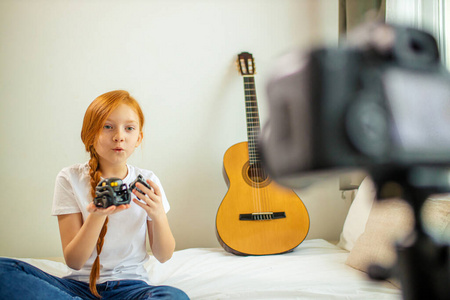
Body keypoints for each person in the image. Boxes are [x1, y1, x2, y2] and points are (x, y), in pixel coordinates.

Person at [0, 90, 189, 299]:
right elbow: (74, 261)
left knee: (174, 296)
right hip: (77, 287)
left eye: (129, 128)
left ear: (138, 138)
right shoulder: (69, 178)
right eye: (108, 127)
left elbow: (164, 255)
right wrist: (97, 216)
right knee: (4, 269)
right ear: (90, 135)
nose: (119, 136)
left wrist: (158, 214)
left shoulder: (148, 180)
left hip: (132, 287)